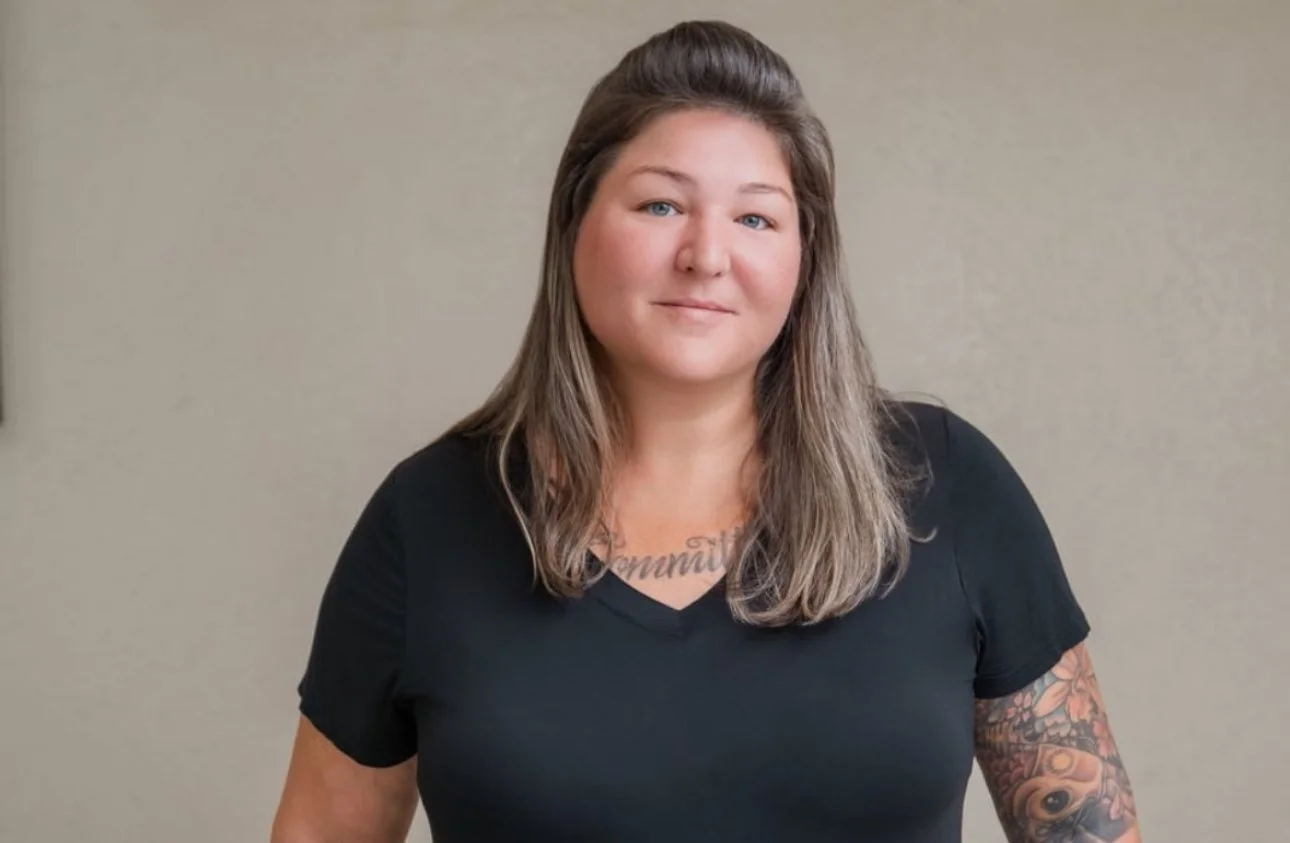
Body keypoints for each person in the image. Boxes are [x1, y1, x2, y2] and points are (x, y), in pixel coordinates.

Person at [270, 19, 1141, 843]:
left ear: (806, 259)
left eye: (756, 217)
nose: (706, 255)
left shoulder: (944, 486)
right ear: (574, 225)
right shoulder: (429, 519)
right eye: (659, 206)